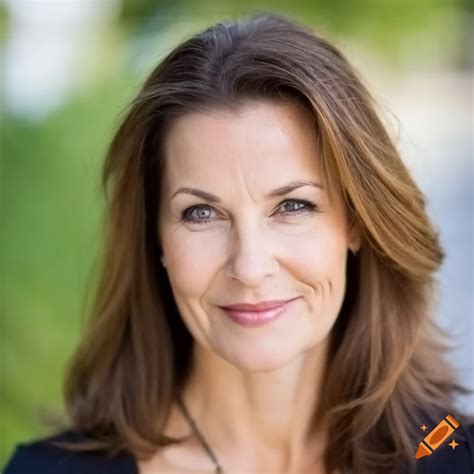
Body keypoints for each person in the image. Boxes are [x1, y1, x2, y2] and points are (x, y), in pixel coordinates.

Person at [4, 12, 474, 474]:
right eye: (201, 213)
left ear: (357, 220)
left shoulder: (451, 455)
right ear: (156, 241)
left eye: (292, 206)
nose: (249, 267)